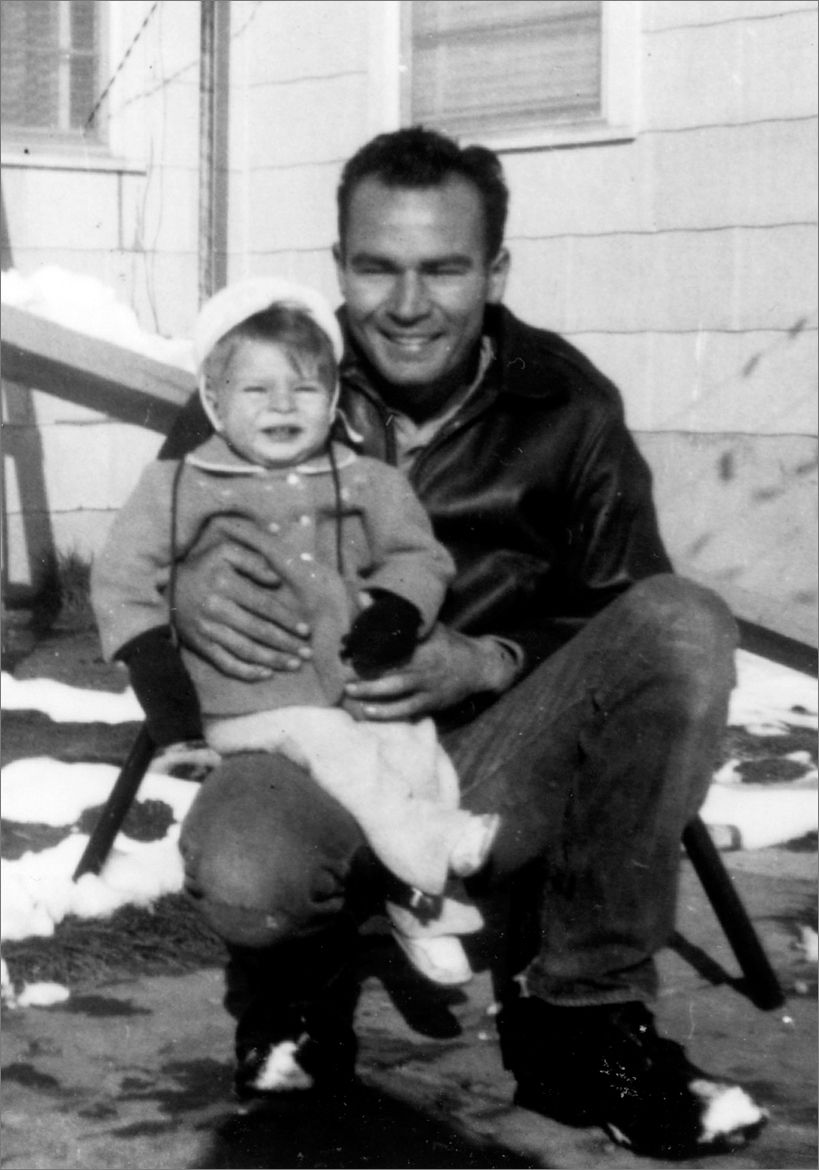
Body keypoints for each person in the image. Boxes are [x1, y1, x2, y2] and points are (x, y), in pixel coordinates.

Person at [160, 127, 766, 1158]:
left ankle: (587, 1027)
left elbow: (625, 617)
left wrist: (485, 660)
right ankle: (301, 999)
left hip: (496, 758)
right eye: (376, 267)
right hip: (317, 747)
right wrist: (184, 622)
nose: (405, 305)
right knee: (251, 870)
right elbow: (152, 562)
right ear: (338, 267)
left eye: (443, 268)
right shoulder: (266, 379)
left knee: (685, 620)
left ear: (496, 270)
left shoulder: (567, 404)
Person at [91, 276, 500, 996]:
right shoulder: (181, 485)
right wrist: (156, 669)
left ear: (333, 400)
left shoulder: (365, 480)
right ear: (214, 402)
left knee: (412, 743)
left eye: (305, 389)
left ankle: (420, 902)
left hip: (347, 684)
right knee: (341, 749)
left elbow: (419, 555)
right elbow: (123, 576)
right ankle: (432, 855)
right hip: (250, 701)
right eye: (256, 391)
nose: (283, 405)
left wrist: (399, 608)